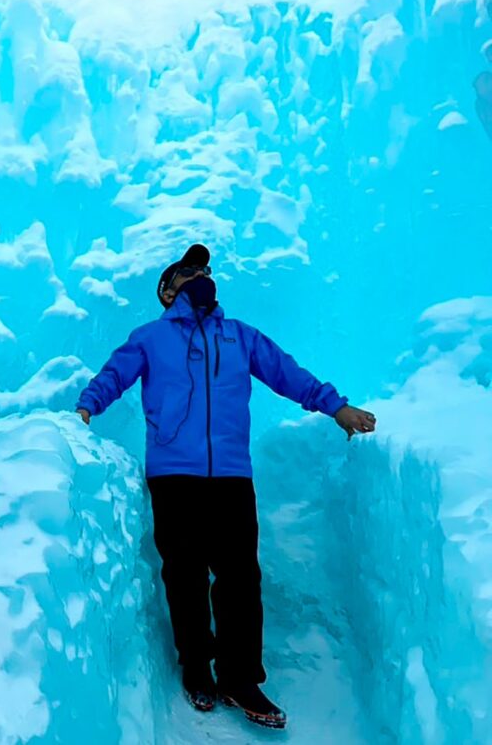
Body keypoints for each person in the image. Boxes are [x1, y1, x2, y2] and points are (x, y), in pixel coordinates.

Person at [75, 244, 376, 730]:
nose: (201, 276)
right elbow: (115, 374)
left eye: (205, 270)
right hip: (174, 476)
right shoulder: (151, 338)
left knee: (240, 578)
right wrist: (87, 407)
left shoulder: (240, 337)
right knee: (185, 576)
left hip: (232, 476)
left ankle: (240, 678)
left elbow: (288, 374)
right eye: (189, 272)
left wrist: (334, 406)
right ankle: (196, 669)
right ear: (168, 290)